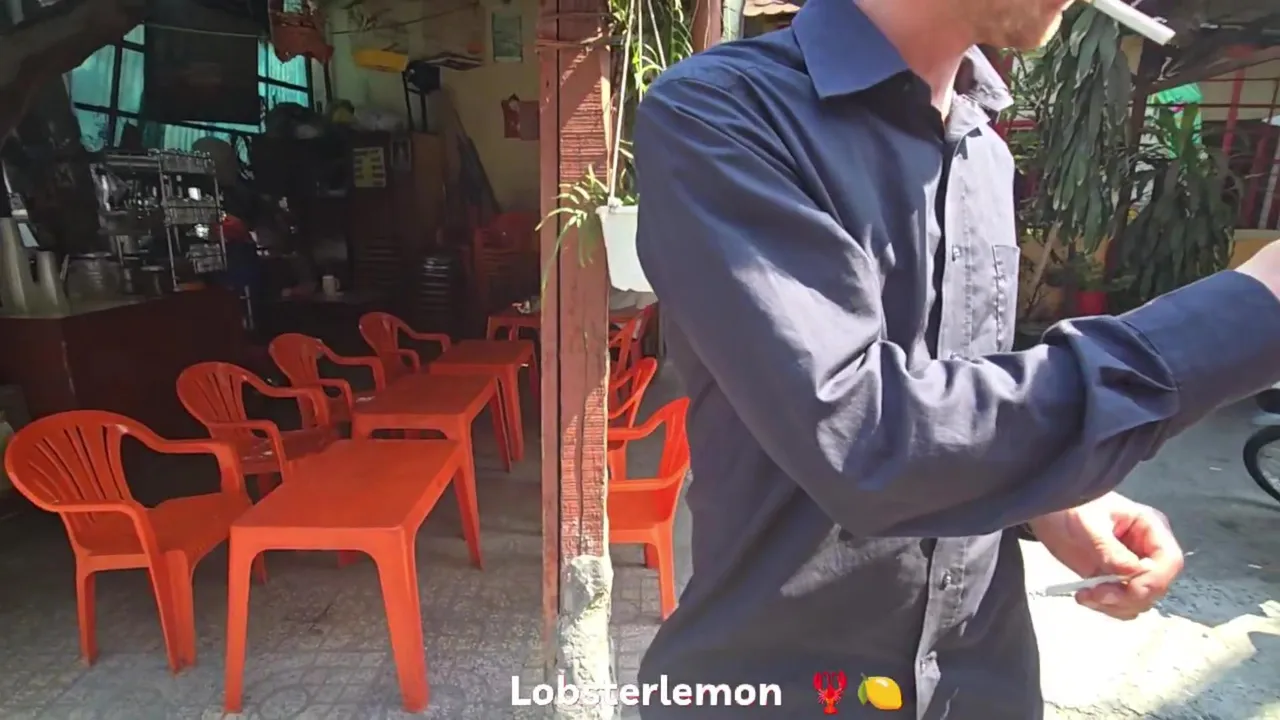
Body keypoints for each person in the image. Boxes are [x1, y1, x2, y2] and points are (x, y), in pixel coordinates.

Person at [631, 0, 1280, 717]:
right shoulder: (726, 112)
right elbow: (867, 438)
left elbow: (952, 403)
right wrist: (1254, 310)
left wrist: (1048, 499)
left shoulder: (982, 149)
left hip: (982, 683)